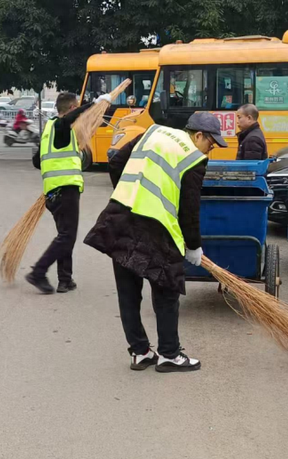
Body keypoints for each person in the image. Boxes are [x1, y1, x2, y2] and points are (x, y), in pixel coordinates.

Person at [84, 112, 227, 373]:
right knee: (166, 291)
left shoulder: (153, 132)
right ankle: (169, 354)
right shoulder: (194, 158)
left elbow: (115, 163)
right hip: (156, 229)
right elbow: (189, 209)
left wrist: (130, 194)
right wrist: (194, 245)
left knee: (128, 293)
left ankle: (139, 352)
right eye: (212, 143)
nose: (211, 150)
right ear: (198, 136)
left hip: (120, 218)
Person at [26, 91, 110, 294]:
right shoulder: (61, 127)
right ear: (72, 109)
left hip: (53, 193)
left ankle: (65, 280)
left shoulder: (49, 130)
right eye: (77, 108)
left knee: (64, 235)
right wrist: (92, 105)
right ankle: (38, 272)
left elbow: (37, 162)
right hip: (65, 190)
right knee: (67, 236)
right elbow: (70, 120)